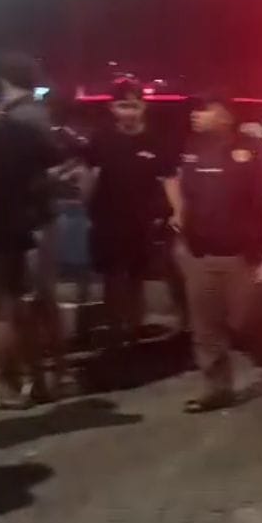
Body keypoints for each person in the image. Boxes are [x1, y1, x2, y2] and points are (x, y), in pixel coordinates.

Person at [167, 90, 262, 412]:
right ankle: (216, 387)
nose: (195, 115)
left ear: (225, 116)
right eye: (195, 110)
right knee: (205, 326)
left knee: (247, 322)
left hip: (242, 255)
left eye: (204, 109)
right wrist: (178, 217)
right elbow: (175, 182)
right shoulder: (191, 148)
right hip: (199, 253)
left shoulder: (253, 148)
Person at [0, 55, 75, 398]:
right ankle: (51, 371)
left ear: (5, 82)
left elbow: (46, 169)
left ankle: (42, 375)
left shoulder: (23, 118)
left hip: (32, 220)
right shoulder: (31, 113)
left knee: (31, 299)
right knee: (38, 298)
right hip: (35, 217)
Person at [0, 66, 58, 407]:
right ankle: (37, 380)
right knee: (17, 308)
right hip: (15, 232)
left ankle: (9, 387)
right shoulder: (22, 134)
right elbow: (53, 170)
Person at [83, 78, 174, 348]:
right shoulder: (100, 139)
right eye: (123, 106)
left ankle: (133, 332)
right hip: (107, 223)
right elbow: (88, 177)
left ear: (144, 107)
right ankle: (114, 333)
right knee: (112, 279)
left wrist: (170, 215)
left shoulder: (156, 141)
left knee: (136, 280)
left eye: (134, 106)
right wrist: (86, 206)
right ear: (112, 108)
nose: (129, 112)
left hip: (142, 224)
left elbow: (169, 180)